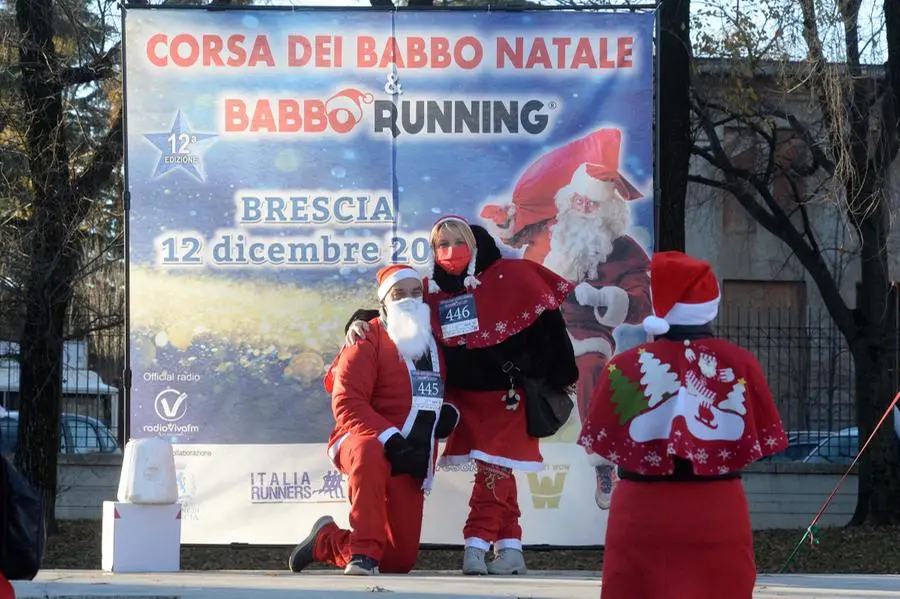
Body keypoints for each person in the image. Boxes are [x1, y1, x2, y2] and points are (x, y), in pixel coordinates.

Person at [345, 216, 579, 576]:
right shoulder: (433, 289)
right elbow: (398, 305)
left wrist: (561, 374)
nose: (449, 251)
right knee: (499, 471)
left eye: (458, 241)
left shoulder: (513, 277)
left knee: (493, 470)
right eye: (441, 244)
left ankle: (476, 544)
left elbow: (550, 325)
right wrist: (357, 322)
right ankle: (511, 548)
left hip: (507, 398)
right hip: (462, 400)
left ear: (474, 243)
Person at [578, 251, 788, 599]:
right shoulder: (741, 363)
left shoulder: (624, 366)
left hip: (641, 512)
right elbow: (758, 440)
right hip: (717, 509)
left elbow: (601, 440)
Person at [288, 264, 456, 577]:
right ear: (384, 301)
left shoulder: (435, 344)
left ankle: (326, 541)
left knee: (398, 562)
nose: (408, 299)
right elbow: (347, 403)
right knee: (370, 450)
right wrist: (390, 439)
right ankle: (362, 553)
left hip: (411, 451)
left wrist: (447, 414)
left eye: (415, 292)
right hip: (362, 438)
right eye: (399, 293)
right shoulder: (366, 337)